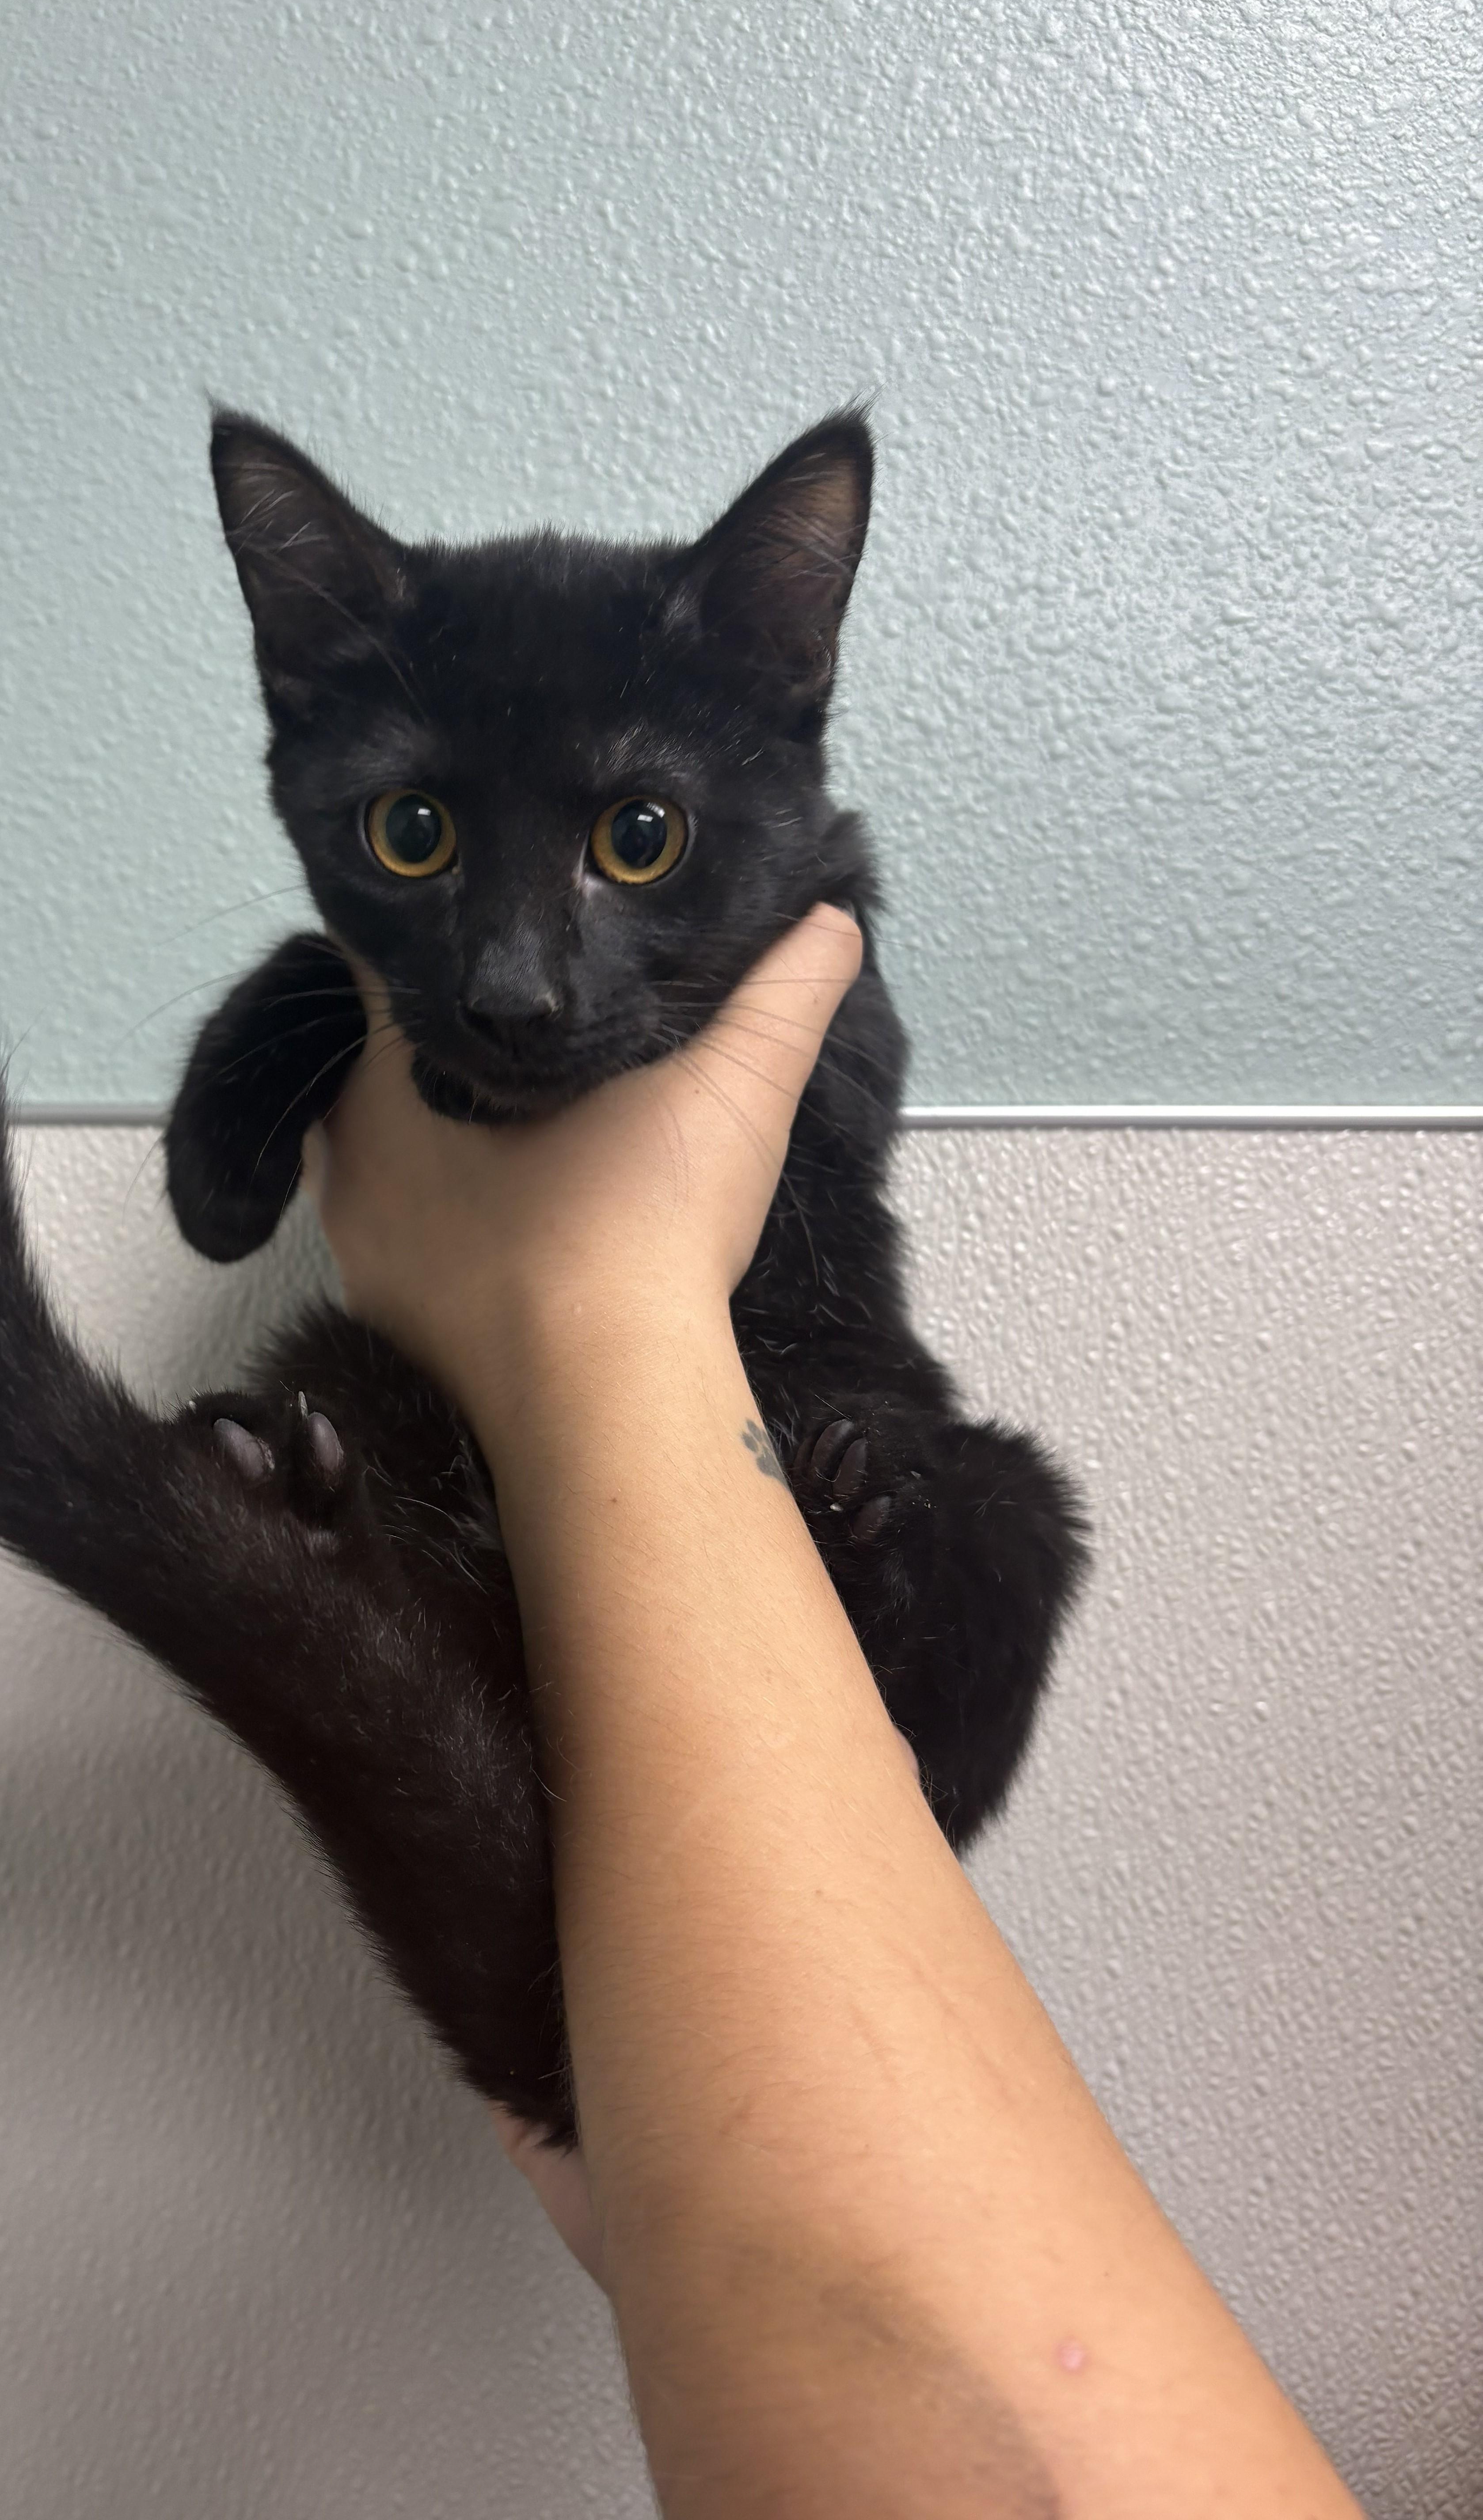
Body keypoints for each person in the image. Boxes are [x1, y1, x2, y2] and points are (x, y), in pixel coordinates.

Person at [303, 904, 1361, 2518]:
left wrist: (585, 1293)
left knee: (1006, 1523)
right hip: (651, 1852)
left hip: (780, 1647)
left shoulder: (794, 920)